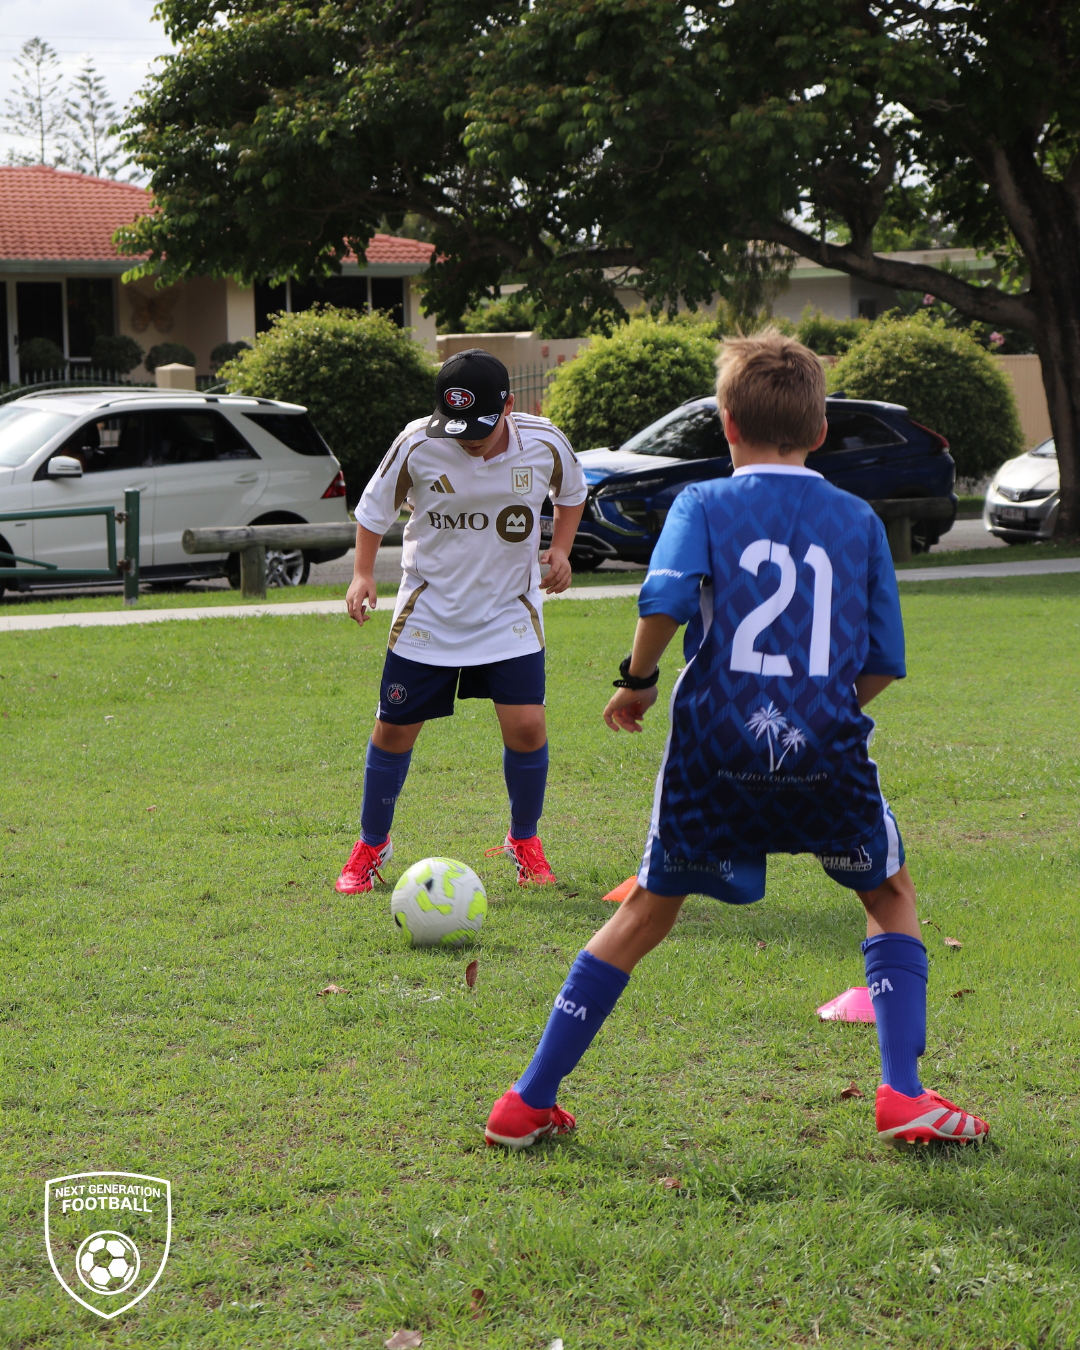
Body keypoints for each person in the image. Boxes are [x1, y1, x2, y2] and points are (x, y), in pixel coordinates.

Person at [485, 329, 989, 1149]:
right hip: (824, 748)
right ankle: (903, 1094)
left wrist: (639, 681)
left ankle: (528, 1099)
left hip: (714, 747)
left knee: (648, 910)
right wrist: (818, 704)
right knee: (888, 893)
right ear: (821, 430)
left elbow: (667, 595)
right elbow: (886, 662)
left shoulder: (704, 504)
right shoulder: (858, 520)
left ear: (724, 421)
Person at [335, 348, 588, 894]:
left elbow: (572, 494)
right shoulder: (417, 442)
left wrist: (562, 549)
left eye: (480, 426)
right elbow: (373, 512)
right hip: (430, 613)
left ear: (509, 407)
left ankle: (524, 839)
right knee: (394, 730)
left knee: (527, 727)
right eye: (457, 426)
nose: (468, 439)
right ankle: (372, 844)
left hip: (508, 612)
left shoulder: (544, 441)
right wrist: (361, 575)